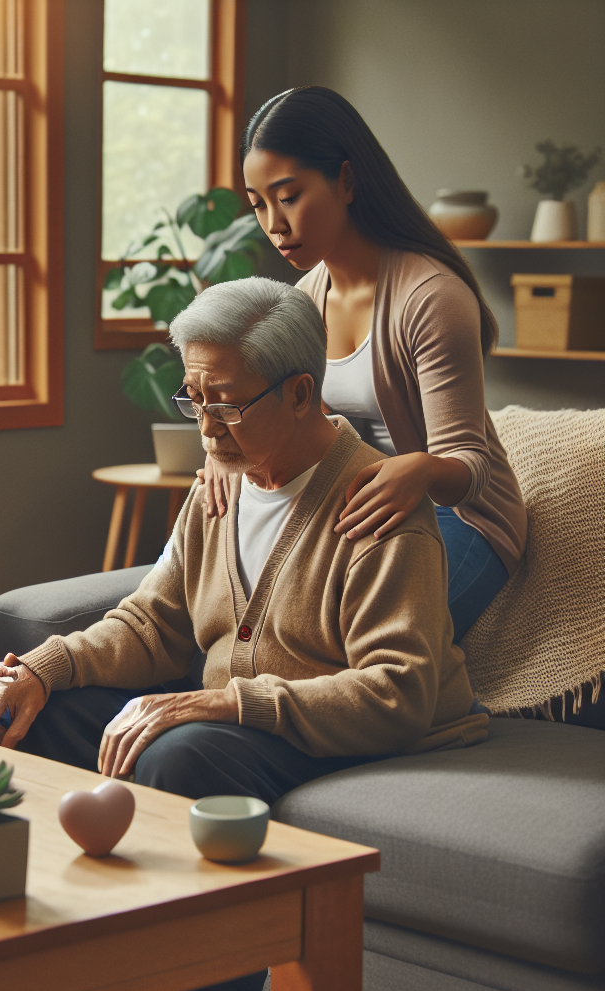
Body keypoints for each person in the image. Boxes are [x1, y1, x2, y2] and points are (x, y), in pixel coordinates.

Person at [0, 277, 488, 991]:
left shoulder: (377, 506)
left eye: (227, 403)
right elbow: (154, 623)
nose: (206, 427)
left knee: (181, 756)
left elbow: (394, 694)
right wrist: (44, 670)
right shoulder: (222, 484)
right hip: (244, 721)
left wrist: (218, 700)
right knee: (50, 717)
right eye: (193, 399)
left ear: (302, 392)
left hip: (350, 725)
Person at [203, 86, 526, 643]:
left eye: (289, 196)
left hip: (461, 518)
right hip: (357, 506)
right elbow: (287, 420)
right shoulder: (304, 300)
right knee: (251, 628)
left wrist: (420, 468)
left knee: (342, 648)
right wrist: (226, 454)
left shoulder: (431, 298)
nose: (273, 224)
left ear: (346, 181)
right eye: (258, 204)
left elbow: (468, 465)